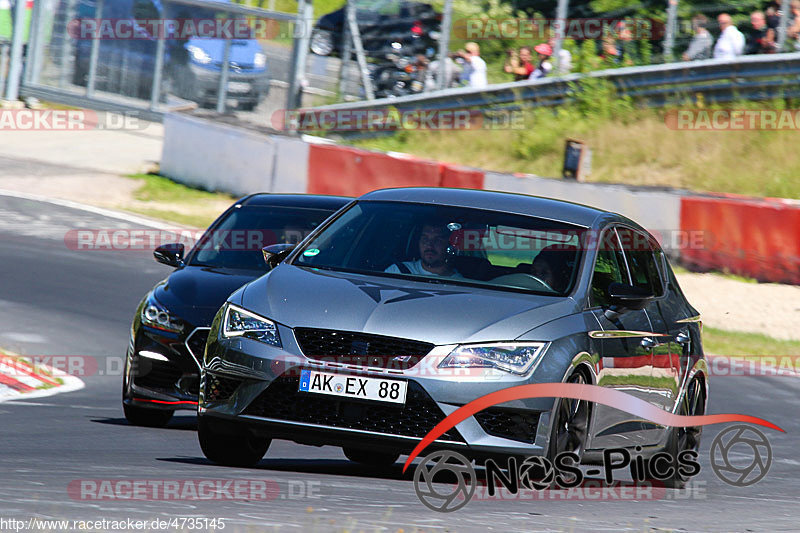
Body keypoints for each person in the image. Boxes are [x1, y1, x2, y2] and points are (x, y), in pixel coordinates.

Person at [385, 222, 463, 278]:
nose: (429, 245)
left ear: (448, 245)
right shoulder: (397, 272)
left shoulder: (460, 284)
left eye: (437, 240)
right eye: (425, 239)